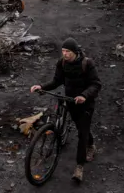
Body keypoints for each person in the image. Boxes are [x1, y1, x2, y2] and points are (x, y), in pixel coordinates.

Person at [30, 38, 102, 183]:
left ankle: (79, 167)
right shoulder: (62, 63)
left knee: (82, 133)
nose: (65, 54)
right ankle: (91, 143)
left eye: (67, 51)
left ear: (75, 52)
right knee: (81, 127)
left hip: (85, 103)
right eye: (63, 51)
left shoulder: (87, 64)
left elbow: (96, 84)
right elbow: (56, 81)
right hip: (70, 101)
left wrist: (83, 95)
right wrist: (41, 86)